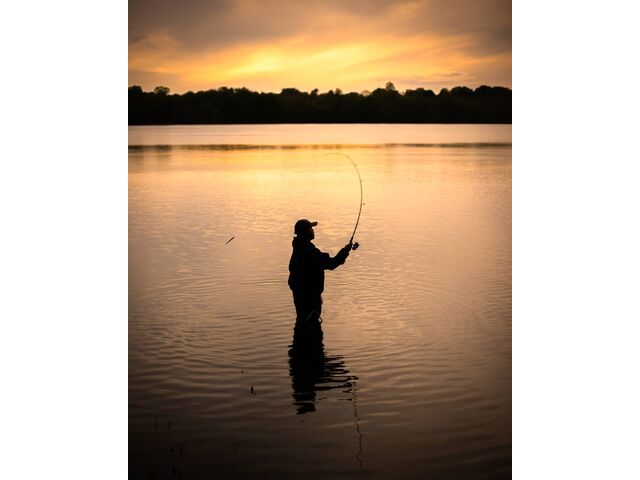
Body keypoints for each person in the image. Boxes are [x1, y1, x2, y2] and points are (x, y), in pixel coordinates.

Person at [288, 219, 352, 338]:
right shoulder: (309, 251)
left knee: (302, 326)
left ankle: (301, 352)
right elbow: (331, 263)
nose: (313, 231)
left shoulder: (298, 248)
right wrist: (346, 250)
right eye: (311, 229)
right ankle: (313, 354)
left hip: (301, 297)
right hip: (309, 300)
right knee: (311, 330)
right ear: (306, 232)